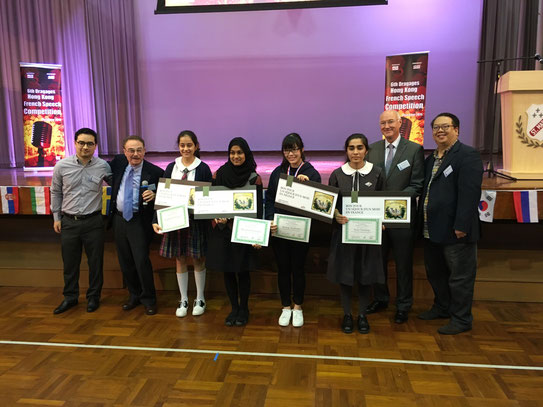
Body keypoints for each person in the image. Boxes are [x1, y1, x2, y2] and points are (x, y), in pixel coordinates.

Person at [418, 113, 483, 335]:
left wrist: (462, 225)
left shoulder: (468, 155)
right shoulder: (431, 159)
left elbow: (470, 193)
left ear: (457, 129)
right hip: (431, 228)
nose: (440, 131)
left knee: (460, 277)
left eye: (445, 126)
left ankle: (462, 319)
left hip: (456, 231)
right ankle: (442, 307)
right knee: (435, 273)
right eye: (435, 127)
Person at [365, 110, 424, 324]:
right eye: (383, 123)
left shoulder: (414, 149)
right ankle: (380, 299)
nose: (387, 126)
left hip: (402, 217)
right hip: (376, 218)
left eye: (391, 121)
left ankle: (403, 305)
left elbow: (417, 184)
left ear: (400, 123)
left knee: (403, 264)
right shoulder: (372, 149)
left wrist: (393, 200)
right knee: (377, 261)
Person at [327, 134, 385, 334]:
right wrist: (336, 215)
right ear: (347, 151)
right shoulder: (337, 174)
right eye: (351, 148)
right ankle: (347, 315)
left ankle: (362, 315)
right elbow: (330, 204)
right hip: (344, 235)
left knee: (365, 276)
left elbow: (383, 203)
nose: (355, 152)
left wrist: (382, 221)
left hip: (368, 237)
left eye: (360, 148)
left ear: (366, 150)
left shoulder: (377, 173)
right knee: (346, 276)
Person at [50, 128, 111, 314]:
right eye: (81, 143)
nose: (85, 147)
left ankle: (94, 298)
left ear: (95, 146)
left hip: (94, 222)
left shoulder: (103, 166)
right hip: (69, 222)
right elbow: (56, 191)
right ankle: (70, 297)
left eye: (90, 143)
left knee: (95, 263)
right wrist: (56, 217)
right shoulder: (62, 166)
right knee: (70, 263)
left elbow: (117, 186)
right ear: (75, 143)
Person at [152, 130, 212, 317]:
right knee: (179, 258)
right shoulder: (171, 167)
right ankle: (183, 299)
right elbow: (163, 195)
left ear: (196, 146)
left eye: (189, 145)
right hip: (175, 220)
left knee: (198, 259)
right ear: (178, 146)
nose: (186, 149)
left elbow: (207, 197)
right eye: (182, 145)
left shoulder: (203, 168)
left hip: (195, 222)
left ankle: (200, 298)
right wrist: (156, 219)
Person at [265, 133, 321, 328]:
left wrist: (308, 187)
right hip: (280, 230)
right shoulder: (277, 173)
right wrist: (270, 218)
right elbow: (270, 199)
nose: (291, 153)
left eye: (295, 149)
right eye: (287, 149)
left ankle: (298, 307)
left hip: (300, 231)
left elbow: (318, 203)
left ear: (302, 150)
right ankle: (285, 306)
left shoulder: (312, 173)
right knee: (283, 269)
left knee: (298, 269)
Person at [207, 137, 263, 327]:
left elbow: (259, 210)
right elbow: (212, 203)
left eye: (239, 152)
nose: (236, 156)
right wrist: (217, 217)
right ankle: (234, 308)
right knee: (228, 271)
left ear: (246, 154)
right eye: (232, 152)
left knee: (243, 271)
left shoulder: (254, 177)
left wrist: (258, 235)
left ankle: (244, 308)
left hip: (244, 232)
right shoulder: (219, 174)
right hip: (224, 232)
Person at [109, 136, 164, 315]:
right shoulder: (117, 164)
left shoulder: (154, 171)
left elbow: (165, 195)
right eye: (131, 150)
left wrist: (156, 195)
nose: (135, 154)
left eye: (139, 150)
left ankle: (149, 299)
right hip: (118, 219)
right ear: (124, 151)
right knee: (125, 261)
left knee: (141, 261)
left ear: (145, 150)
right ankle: (134, 295)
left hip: (139, 221)